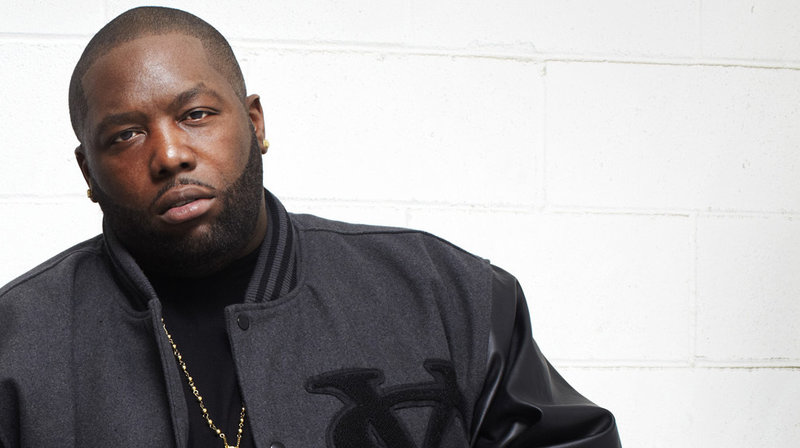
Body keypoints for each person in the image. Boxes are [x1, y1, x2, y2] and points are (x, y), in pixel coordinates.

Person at [0, 6, 620, 448]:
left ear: (255, 123)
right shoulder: (17, 340)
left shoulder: (447, 292)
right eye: (126, 135)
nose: (169, 155)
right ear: (88, 171)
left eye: (196, 114)